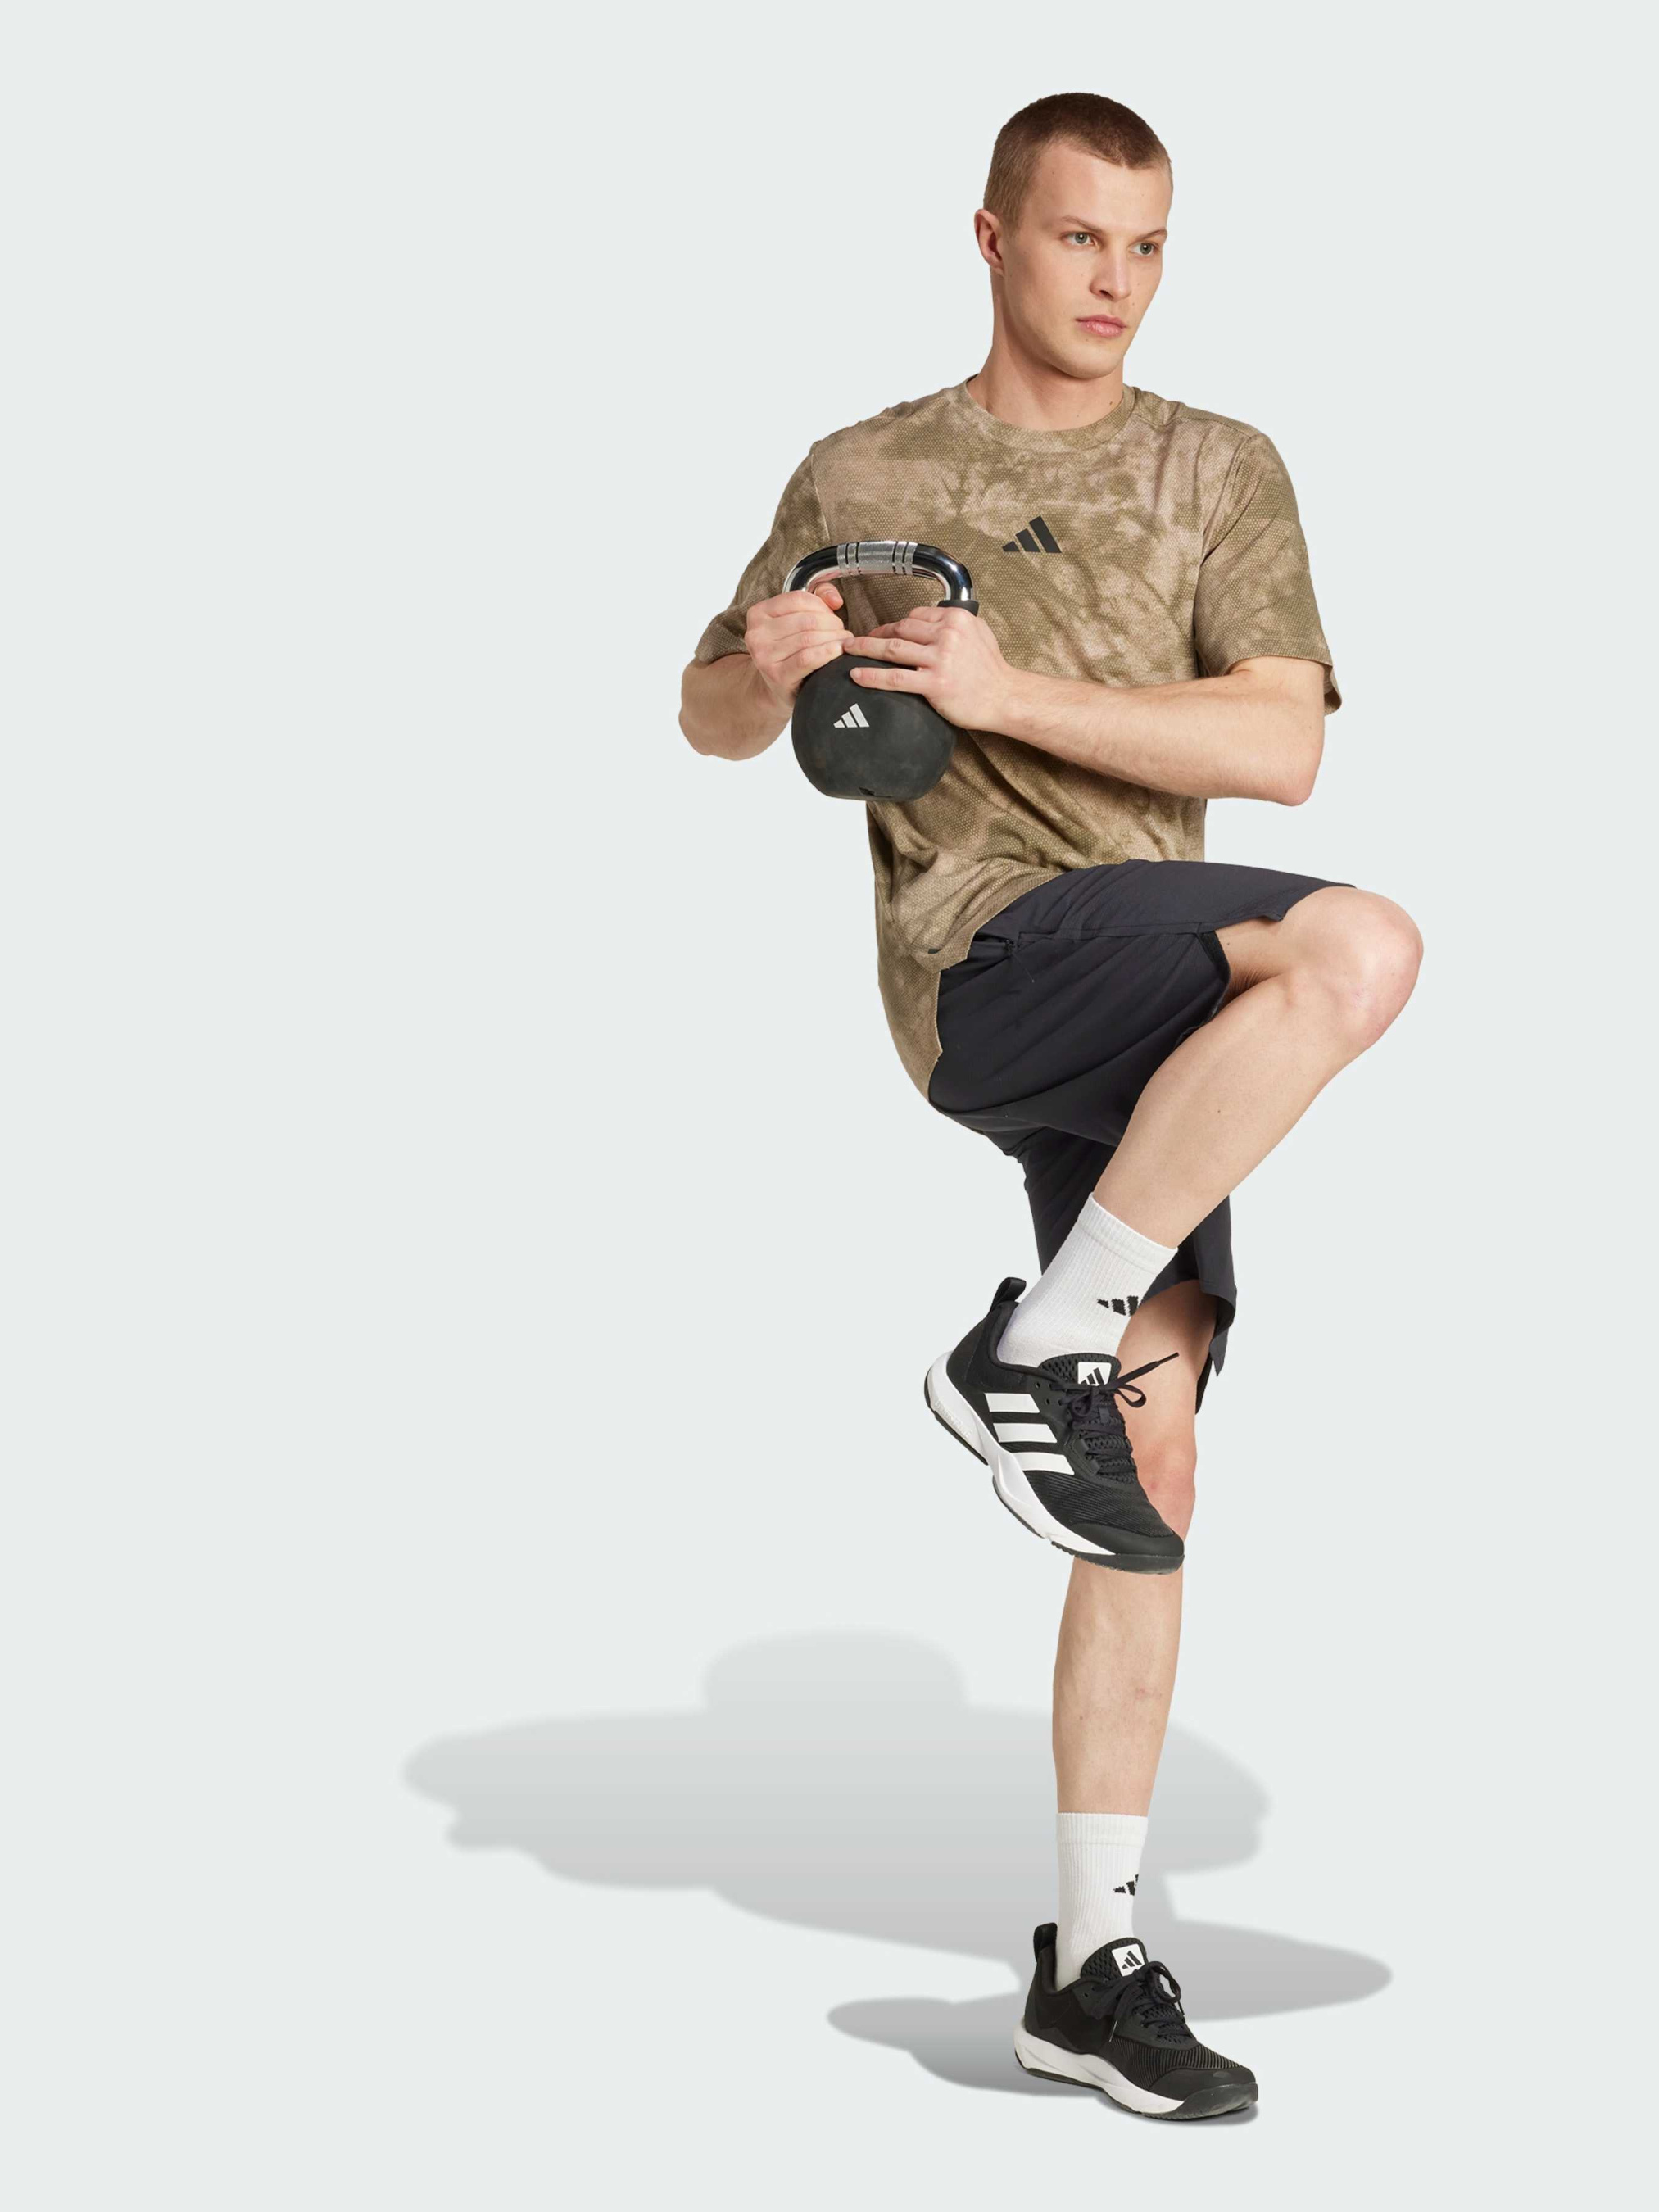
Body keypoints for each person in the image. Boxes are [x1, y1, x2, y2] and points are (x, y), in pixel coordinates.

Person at [678, 90, 1421, 2121]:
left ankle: (1087, 1967)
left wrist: (1004, 692)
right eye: (1080, 237)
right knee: (1354, 950)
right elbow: (709, 718)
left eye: (1147, 245)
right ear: (993, 236)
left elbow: (1276, 746)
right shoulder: (863, 468)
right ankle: (1035, 1341)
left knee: (1138, 1466)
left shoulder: (1214, 467)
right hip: (986, 958)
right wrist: (767, 659)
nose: (1116, 281)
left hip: (1159, 1013)